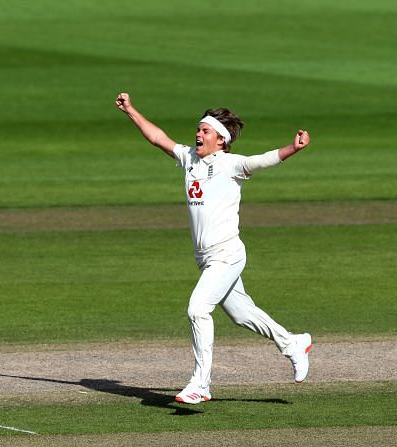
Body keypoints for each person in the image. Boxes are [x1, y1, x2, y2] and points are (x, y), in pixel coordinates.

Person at [115, 92, 313, 405]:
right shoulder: (189, 159)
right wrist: (131, 110)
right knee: (240, 313)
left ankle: (201, 383)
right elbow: (157, 137)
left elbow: (261, 160)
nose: (198, 134)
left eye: (205, 131)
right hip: (206, 259)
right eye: (198, 129)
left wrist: (293, 149)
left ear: (220, 139)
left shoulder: (231, 165)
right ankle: (293, 343)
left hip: (227, 254)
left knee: (198, 309)